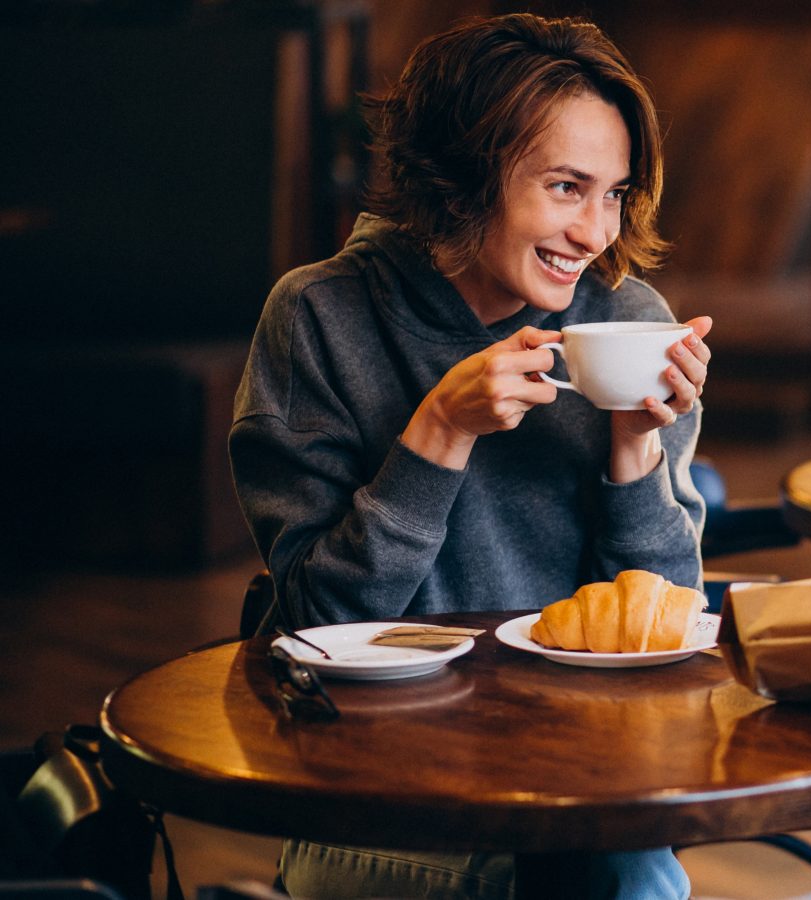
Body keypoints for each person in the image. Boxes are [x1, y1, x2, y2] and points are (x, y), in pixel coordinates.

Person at [229, 13, 709, 899]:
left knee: (626, 872)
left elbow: (664, 620)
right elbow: (307, 627)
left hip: (585, 781)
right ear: (461, 178)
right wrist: (436, 435)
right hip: (376, 784)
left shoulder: (628, 323)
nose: (598, 232)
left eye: (614, 193)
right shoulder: (321, 319)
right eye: (567, 187)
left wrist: (635, 451)